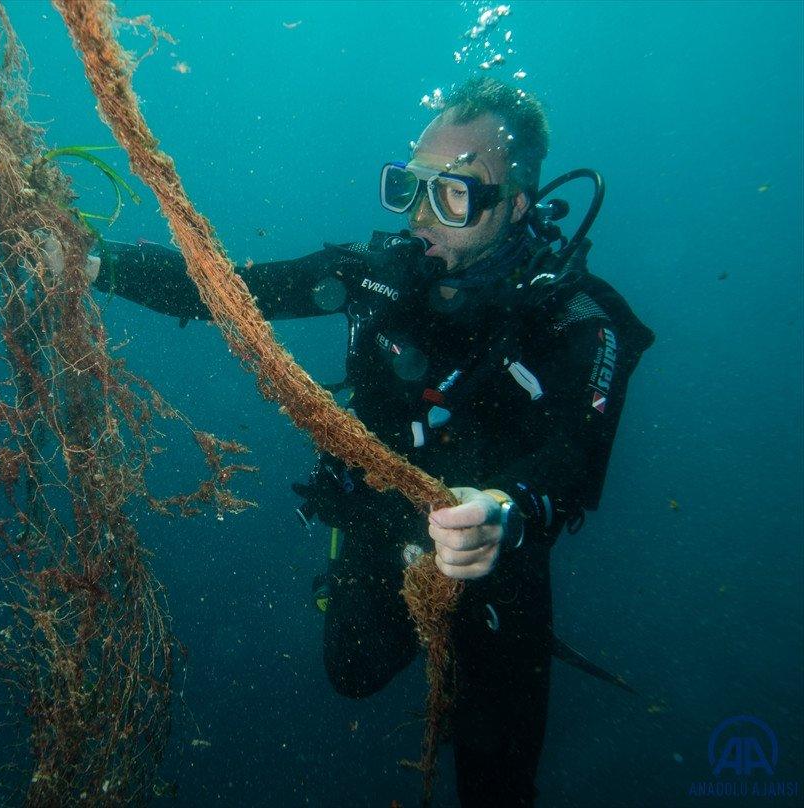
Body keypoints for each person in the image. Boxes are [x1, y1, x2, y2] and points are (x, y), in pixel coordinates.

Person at [65, 77, 653, 806]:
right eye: (410, 188)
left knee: (498, 778)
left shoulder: (576, 319)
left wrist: (505, 509)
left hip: (497, 552)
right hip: (378, 515)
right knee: (352, 672)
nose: (421, 217)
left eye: (454, 195)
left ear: (515, 206)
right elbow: (230, 290)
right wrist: (98, 262)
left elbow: (574, 456)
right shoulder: (374, 278)